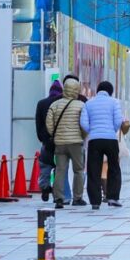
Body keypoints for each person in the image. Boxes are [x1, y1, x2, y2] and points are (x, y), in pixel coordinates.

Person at [81, 81, 128, 210]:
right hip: (110, 139)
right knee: (114, 168)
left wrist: (93, 131)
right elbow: (118, 120)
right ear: (110, 91)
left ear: (98, 90)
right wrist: (111, 130)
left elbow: (83, 123)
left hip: (94, 140)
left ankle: (95, 202)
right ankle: (113, 197)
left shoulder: (88, 103)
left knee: (93, 170)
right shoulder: (114, 102)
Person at [46, 75, 87, 209]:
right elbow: (85, 124)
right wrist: (82, 136)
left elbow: (49, 123)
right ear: (76, 89)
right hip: (76, 143)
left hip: (60, 143)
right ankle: (77, 198)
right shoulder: (81, 105)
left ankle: (59, 199)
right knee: (79, 170)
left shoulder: (55, 104)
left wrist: (55, 134)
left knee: (60, 170)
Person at [34, 79, 63, 202]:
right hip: (61, 141)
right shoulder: (61, 104)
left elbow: (38, 123)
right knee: (60, 167)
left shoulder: (42, 103)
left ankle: (45, 188)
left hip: (46, 141)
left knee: (45, 166)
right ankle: (57, 193)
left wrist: (42, 138)